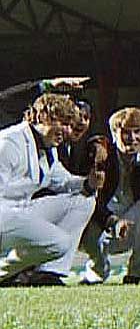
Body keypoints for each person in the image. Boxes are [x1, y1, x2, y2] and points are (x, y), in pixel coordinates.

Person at [0, 93, 103, 284]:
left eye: (69, 124)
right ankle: (5, 272)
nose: (66, 130)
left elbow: (62, 181)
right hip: (4, 215)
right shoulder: (10, 142)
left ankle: (48, 273)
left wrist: (89, 183)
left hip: (19, 211)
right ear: (41, 117)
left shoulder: (48, 149)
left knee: (84, 201)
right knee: (60, 242)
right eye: (61, 122)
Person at [78, 106, 140, 284]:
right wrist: (112, 221)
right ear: (115, 134)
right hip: (101, 222)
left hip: (130, 223)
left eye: (137, 132)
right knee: (85, 210)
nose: (132, 138)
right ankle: (97, 271)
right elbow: (92, 199)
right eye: (125, 132)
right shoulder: (102, 157)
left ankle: (138, 273)